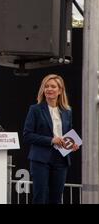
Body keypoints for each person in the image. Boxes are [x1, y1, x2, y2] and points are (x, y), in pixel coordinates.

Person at [23, 74, 79, 204]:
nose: (49, 89)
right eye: (46, 86)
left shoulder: (67, 111)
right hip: (40, 160)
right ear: (43, 90)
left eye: (53, 86)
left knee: (56, 199)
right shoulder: (35, 109)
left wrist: (72, 144)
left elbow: (68, 133)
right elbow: (27, 135)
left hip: (61, 159)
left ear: (60, 90)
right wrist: (51, 140)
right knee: (40, 198)